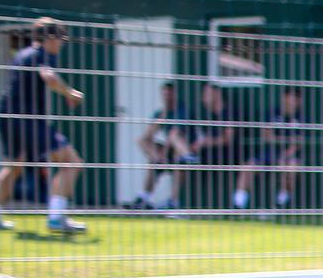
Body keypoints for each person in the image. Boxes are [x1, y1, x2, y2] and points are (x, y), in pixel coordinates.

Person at [0, 17, 87, 234]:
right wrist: (70, 93)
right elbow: (49, 77)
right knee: (72, 162)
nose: (62, 43)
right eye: (60, 38)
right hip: (27, 119)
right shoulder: (42, 54)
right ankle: (56, 218)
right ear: (49, 38)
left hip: (7, 116)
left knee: (14, 167)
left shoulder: (23, 54)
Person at [187, 82, 254, 211]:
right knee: (182, 162)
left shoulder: (230, 112)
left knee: (249, 164)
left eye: (206, 94)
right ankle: (181, 206)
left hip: (231, 155)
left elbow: (227, 139)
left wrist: (205, 142)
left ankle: (238, 206)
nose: (203, 98)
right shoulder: (205, 115)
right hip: (207, 157)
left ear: (217, 94)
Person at [130, 81, 195, 211]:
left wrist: (164, 154)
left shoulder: (182, 110)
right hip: (167, 153)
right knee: (142, 143)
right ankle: (144, 197)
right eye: (164, 94)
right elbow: (147, 137)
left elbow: (175, 134)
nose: (167, 97)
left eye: (170, 93)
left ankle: (173, 201)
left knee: (177, 154)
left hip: (186, 149)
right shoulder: (161, 113)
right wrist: (163, 115)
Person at [255, 86, 307, 209]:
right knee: (248, 166)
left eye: (296, 99)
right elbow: (266, 135)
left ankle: (281, 203)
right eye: (290, 98)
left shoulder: (302, 117)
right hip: (269, 153)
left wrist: (286, 153)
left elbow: (299, 142)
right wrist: (287, 140)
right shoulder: (273, 113)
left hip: (290, 155)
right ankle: (238, 204)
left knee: (291, 167)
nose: (293, 102)